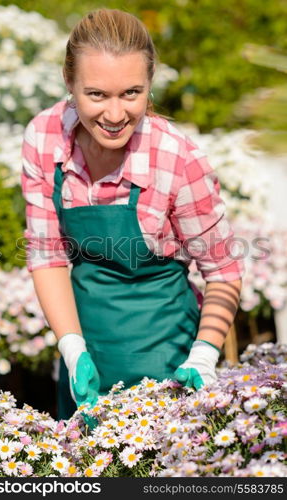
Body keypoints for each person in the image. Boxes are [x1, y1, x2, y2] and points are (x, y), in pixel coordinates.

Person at [21, 8, 244, 420]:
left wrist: (205, 355)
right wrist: (72, 349)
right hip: (87, 352)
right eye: (96, 95)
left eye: (131, 93)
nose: (114, 115)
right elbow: (48, 254)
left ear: (150, 83)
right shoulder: (44, 136)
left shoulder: (177, 157)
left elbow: (224, 271)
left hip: (169, 356)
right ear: (68, 82)